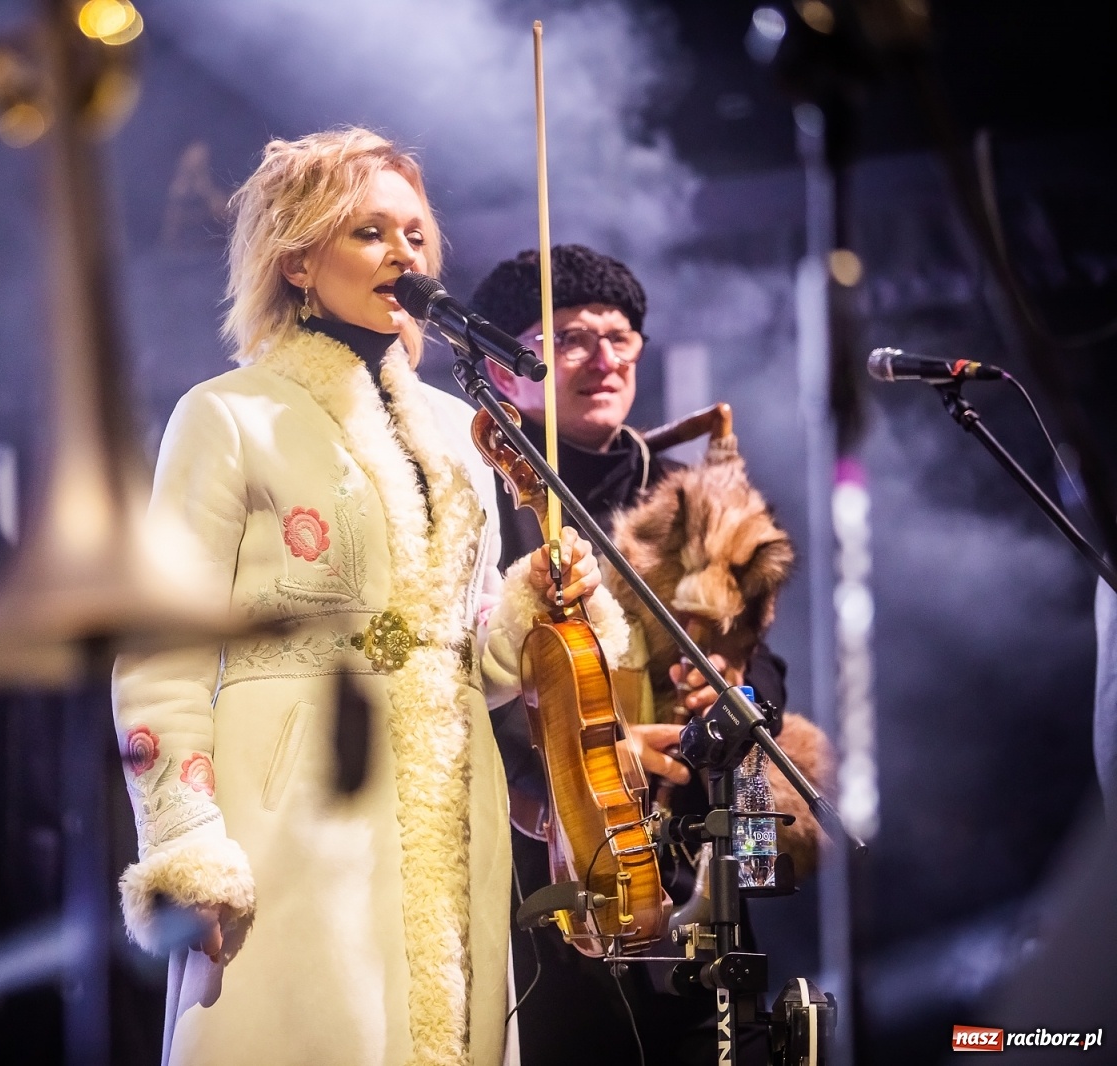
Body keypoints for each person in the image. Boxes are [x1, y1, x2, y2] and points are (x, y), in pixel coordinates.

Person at [111, 130, 625, 1066]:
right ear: (299, 257)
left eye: (417, 234)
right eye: (369, 232)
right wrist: (186, 844)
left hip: (449, 799)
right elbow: (160, 651)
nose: (405, 254)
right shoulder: (227, 413)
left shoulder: (456, 428)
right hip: (296, 803)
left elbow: (467, 650)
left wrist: (527, 610)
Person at [469, 244, 831, 1065]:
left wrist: (735, 694)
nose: (603, 358)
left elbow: (763, 661)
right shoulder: (480, 494)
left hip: (679, 861)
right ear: (505, 363)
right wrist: (592, 757)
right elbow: (451, 681)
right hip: (533, 863)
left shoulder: (692, 498)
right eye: (568, 337)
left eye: (620, 336)